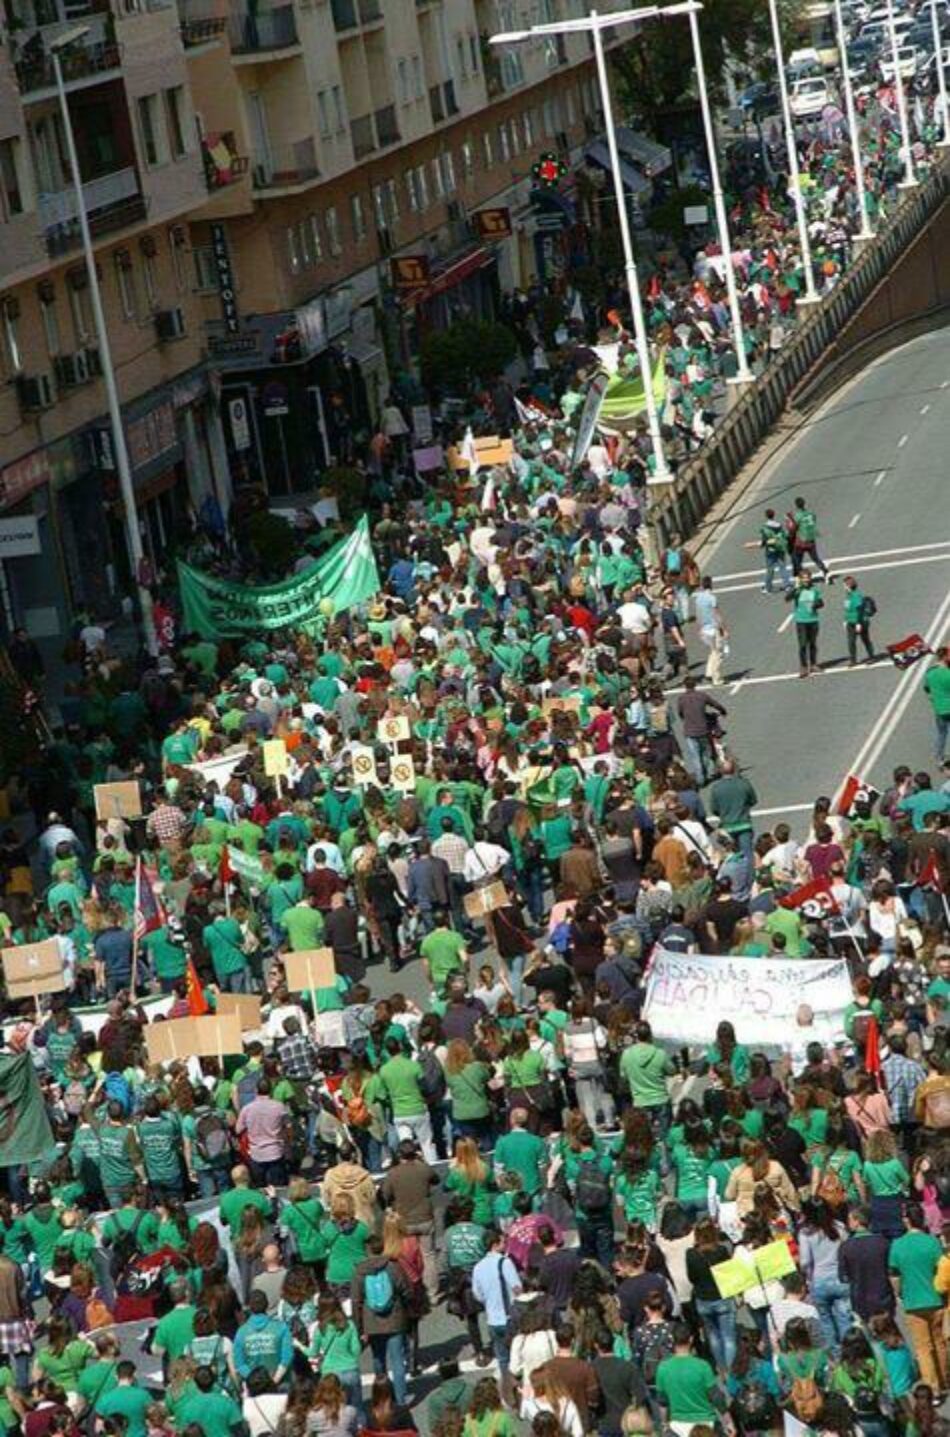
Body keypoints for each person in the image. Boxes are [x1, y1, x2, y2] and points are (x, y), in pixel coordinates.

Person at [888, 1201, 947, 1393]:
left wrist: (899, 1294)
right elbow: (942, 1269)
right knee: (939, 1343)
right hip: (936, 1299)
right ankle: (945, 1379)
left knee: (922, 1348)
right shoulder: (932, 1242)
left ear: (906, 1220)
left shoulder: (897, 1245)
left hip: (913, 1302)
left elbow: (894, 1275)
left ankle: (933, 1389)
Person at [786, 567, 824, 678]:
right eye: (804, 578)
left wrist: (815, 605)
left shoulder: (815, 589)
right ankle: (803, 667)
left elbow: (821, 603)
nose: (806, 580)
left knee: (812, 644)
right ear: (801, 580)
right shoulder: (798, 590)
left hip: (813, 619)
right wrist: (796, 588)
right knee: (803, 645)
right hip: (801, 621)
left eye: (808, 578)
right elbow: (787, 599)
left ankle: (813, 664)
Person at [842, 574, 875, 665]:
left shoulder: (856, 596)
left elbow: (859, 610)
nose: (844, 587)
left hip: (860, 621)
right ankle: (853, 660)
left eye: (845, 585)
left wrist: (858, 623)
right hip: (850, 622)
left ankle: (871, 656)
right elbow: (848, 610)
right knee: (851, 641)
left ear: (849, 586)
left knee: (865, 639)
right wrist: (845, 620)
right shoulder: (848, 596)